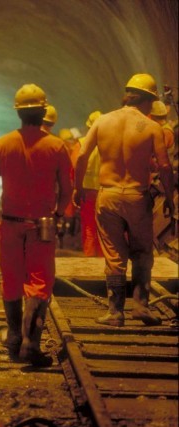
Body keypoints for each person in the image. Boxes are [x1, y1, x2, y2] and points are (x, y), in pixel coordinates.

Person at [74, 73, 175, 327]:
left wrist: (78, 188)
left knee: (114, 255)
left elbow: (82, 157)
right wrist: (170, 198)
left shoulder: (102, 121)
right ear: (149, 101)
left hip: (107, 195)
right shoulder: (152, 127)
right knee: (142, 253)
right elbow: (164, 166)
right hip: (136, 196)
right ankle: (140, 307)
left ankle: (115, 312)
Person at [0, 84, 72, 367]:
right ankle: (30, 344)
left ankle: (12, 336)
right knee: (38, 281)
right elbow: (68, 189)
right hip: (41, 226)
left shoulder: (3, 144)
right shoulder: (56, 146)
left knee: (11, 278)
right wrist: (58, 214)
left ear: (19, 114)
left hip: (10, 223)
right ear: (44, 111)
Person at [71, 111, 103, 256]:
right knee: (104, 230)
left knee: (89, 228)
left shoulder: (81, 143)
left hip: (87, 191)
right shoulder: (111, 143)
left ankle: (90, 260)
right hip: (105, 191)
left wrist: (76, 188)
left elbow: (73, 166)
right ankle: (104, 262)